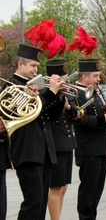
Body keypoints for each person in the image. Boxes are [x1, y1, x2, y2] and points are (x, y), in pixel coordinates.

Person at [3, 44, 64, 219]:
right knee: (33, 202)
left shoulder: (35, 86)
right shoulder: (11, 86)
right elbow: (29, 112)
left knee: (41, 202)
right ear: (20, 64)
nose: (36, 70)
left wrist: (59, 96)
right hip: (27, 150)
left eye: (37, 66)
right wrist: (51, 92)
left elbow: (49, 115)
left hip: (43, 150)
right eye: (32, 66)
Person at [71, 59, 106, 220]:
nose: (99, 79)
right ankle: (86, 217)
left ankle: (91, 216)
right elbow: (80, 120)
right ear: (85, 77)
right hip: (89, 148)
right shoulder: (77, 93)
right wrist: (104, 118)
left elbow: (95, 111)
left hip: (100, 147)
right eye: (95, 76)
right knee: (89, 189)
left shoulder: (93, 91)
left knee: (97, 189)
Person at [46, 60, 79, 220]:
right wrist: (56, 97)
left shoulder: (65, 94)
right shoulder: (48, 94)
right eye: (63, 79)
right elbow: (48, 115)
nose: (66, 83)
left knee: (64, 187)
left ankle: (58, 216)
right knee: (56, 187)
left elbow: (76, 115)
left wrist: (68, 107)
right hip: (55, 144)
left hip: (67, 143)